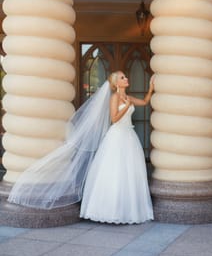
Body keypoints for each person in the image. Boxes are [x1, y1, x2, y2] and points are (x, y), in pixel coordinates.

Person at [8, 70, 154, 224]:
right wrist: (126, 107)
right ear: (116, 83)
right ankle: (110, 210)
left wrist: (150, 88)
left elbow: (144, 102)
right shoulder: (115, 97)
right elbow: (114, 119)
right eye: (122, 77)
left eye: (125, 76)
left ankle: (128, 209)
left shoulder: (128, 97)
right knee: (115, 169)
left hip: (129, 136)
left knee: (129, 171)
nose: (126, 78)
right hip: (117, 136)